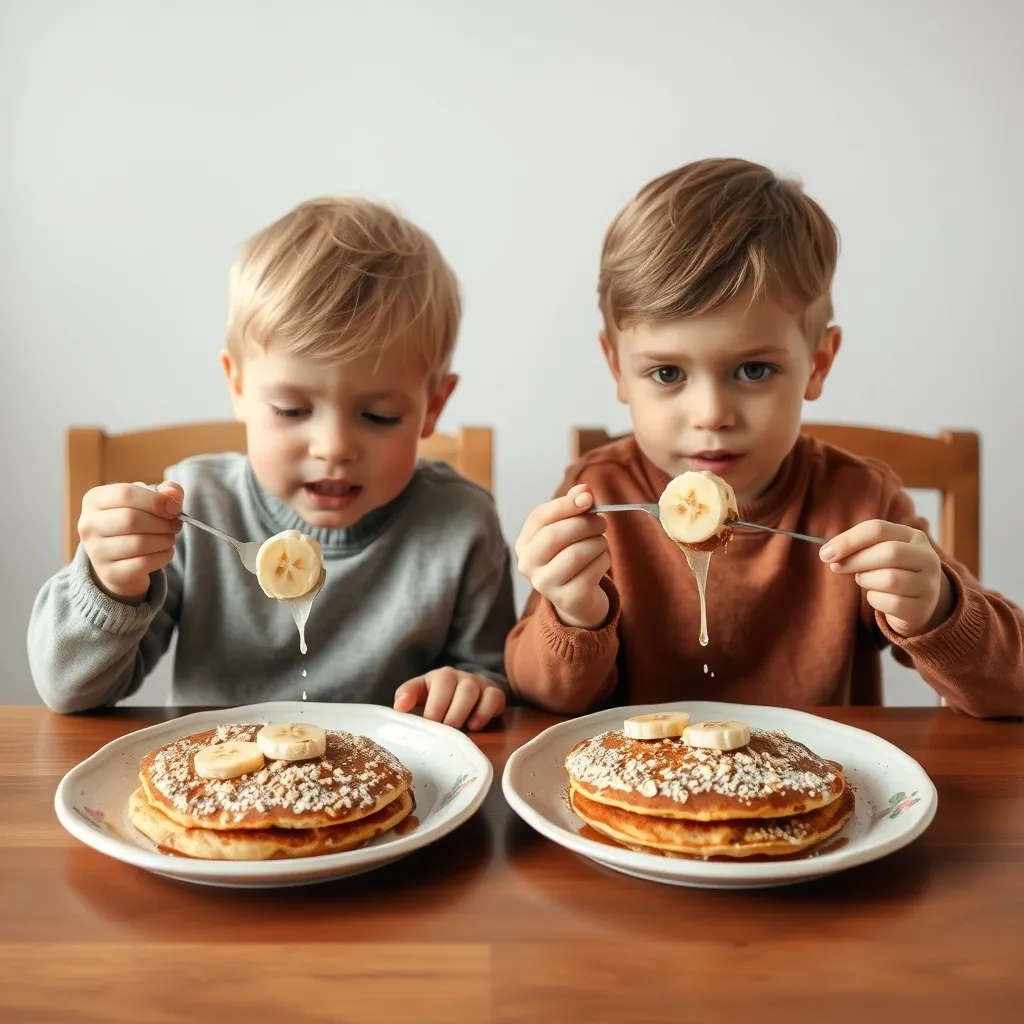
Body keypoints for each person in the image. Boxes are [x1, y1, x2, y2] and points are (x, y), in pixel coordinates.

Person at [506, 158, 1023, 718]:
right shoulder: (598, 494)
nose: (711, 414)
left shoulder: (857, 501)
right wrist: (574, 615)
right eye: (668, 374)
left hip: (818, 795)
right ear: (617, 370)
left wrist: (937, 609)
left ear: (818, 363)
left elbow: (1010, 690)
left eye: (753, 370)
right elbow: (543, 698)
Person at [29, 196, 515, 729]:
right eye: (291, 409)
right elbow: (68, 693)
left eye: (377, 416)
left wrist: (472, 687)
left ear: (434, 408)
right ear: (237, 385)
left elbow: (491, 678)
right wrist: (108, 585)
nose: (333, 447)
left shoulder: (462, 523)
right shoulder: (196, 509)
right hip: (212, 797)